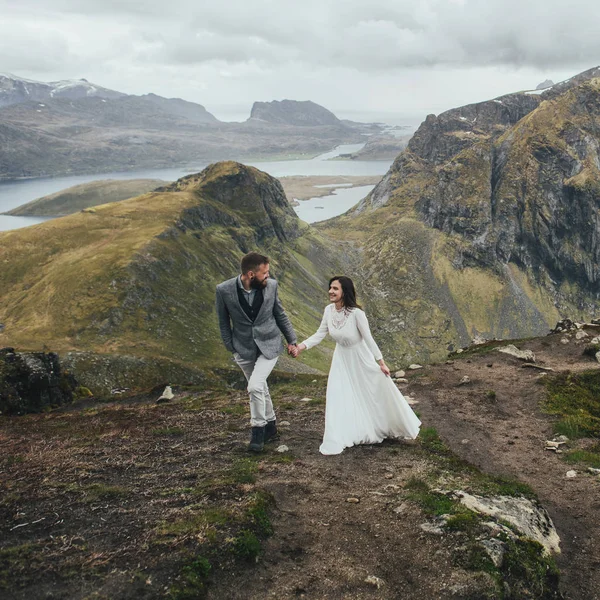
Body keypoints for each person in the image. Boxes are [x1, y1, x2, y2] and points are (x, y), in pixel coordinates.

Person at [296, 276, 421, 455]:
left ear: (344, 292)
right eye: (330, 287)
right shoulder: (328, 310)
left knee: (371, 392)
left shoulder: (357, 314)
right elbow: (319, 334)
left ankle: (384, 424)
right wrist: (301, 346)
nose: (331, 291)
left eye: (335, 289)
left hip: (361, 359)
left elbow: (369, 339)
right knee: (338, 395)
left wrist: (381, 363)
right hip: (341, 360)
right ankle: (342, 433)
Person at [216, 252, 298, 452]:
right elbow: (223, 321)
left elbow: (279, 314)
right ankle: (271, 426)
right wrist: (231, 346)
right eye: (265, 273)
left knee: (254, 387)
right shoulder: (224, 290)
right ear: (251, 274)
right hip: (242, 348)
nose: (268, 276)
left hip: (270, 345)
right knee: (260, 387)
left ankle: (257, 431)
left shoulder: (271, 286)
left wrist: (292, 341)